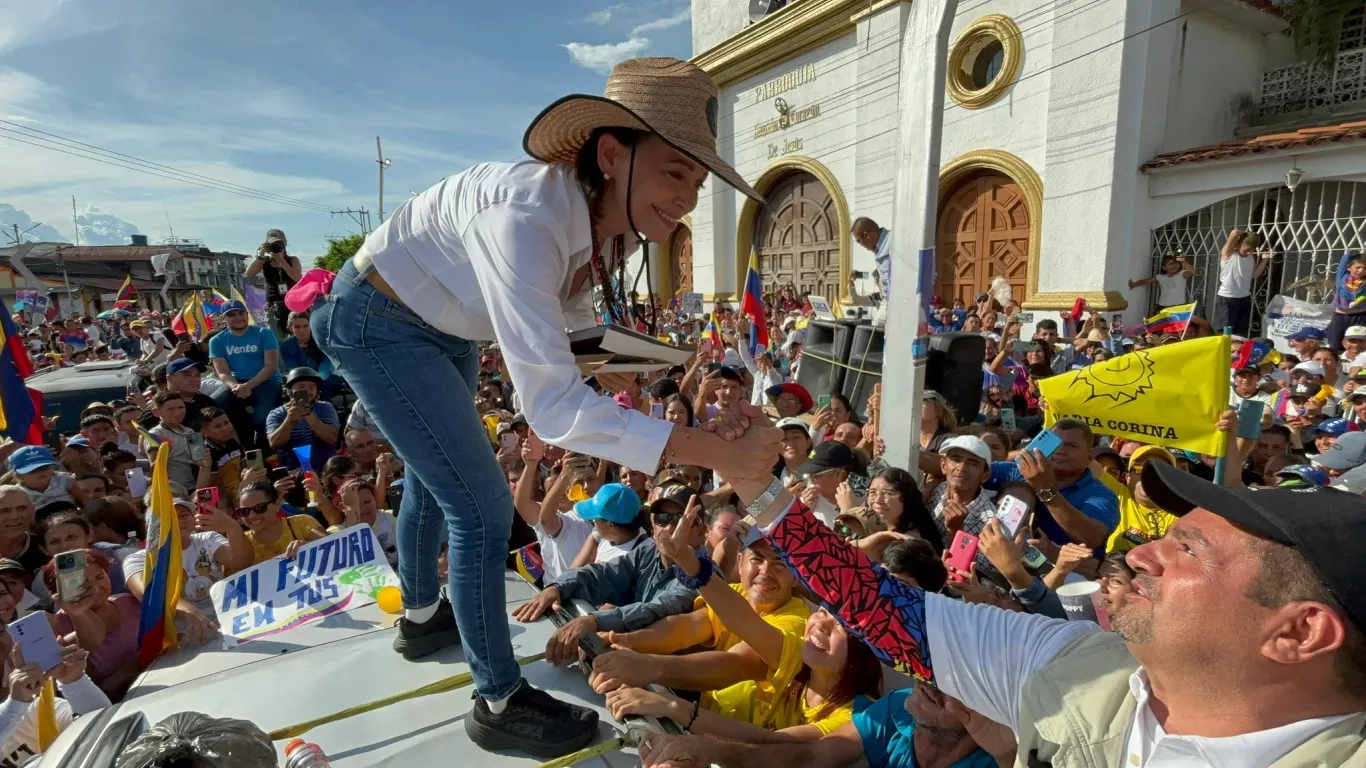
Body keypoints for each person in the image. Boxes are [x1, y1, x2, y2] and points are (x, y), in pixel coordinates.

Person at [308, 56, 778, 757]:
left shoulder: (600, 219)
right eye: (676, 173)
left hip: (442, 323)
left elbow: (575, 332)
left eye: (697, 182)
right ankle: (498, 700)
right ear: (613, 155)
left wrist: (658, 374)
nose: (686, 199)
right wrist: (720, 451)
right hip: (380, 320)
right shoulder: (525, 220)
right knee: (480, 507)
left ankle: (421, 614)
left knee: (438, 483)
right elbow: (555, 407)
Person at [635, 686, 1008, 768]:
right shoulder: (899, 706)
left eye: (962, 683)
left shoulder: (1003, 761)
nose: (934, 681)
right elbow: (809, 754)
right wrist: (707, 749)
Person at [123, 496, 252, 643]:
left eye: (184, 515)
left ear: (193, 519)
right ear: (150, 527)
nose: (178, 521)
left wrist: (232, 527)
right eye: (169, 517)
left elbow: (240, 561)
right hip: (184, 638)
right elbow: (147, 593)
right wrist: (187, 610)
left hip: (232, 623)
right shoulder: (138, 560)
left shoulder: (207, 539)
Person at [41, 547, 141, 699]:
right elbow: (88, 692)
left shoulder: (130, 602)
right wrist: (134, 668)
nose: (95, 587)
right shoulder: (57, 630)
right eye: (81, 583)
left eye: (100, 576)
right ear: (57, 590)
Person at [208, 299, 282, 451]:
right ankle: (235, 449)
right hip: (237, 383)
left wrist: (248, 386)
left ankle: (267, 451)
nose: (238, 318)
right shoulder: (216, 341)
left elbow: (271, 367)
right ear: (224, 318)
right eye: (231, 315)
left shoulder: (265, 333)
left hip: (266, 380)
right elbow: (222, 372)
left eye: (241, 313)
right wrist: (235, 386)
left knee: (262, 416)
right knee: (215, 405)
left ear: (247, 314)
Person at [266, 367, 340, 471]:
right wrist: (289, 420)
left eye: (311, 387)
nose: (307, 391)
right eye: (301, 387)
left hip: (325, 466)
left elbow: (332, 438)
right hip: (292, 468)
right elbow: (275, 443)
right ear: (290, 390)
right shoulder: (277, 413)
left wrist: (308, 415)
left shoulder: (325, 407)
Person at [236, 482, 325, 565]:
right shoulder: (240, 543)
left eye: (259, 508)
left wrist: (309, 546)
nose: (252, 516)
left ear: (277, 504)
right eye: (244, 511)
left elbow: (330, 544)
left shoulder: (301, 522)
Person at [144, 392, 212, 491]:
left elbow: (200, 462)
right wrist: (163, 454)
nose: (177, 412)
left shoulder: (189, 431)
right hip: (171, 490)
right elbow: (154, 469)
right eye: (170, 409)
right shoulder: (156, 434)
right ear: (156, 412)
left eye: (180, 407)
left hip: (193, 486)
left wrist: (203, 458)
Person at [244, 228, 302, 337]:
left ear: (285, 244)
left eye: (279, 244)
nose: (277, 248)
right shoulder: (265, 261)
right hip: (273, 305)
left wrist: (282, 262)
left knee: (297, 337)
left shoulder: (292, 260)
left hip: (293, 304)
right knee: (276, 339)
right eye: (273, 244)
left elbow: (297, 278)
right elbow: (249, 273)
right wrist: (260, 255)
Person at [1217, 228, 1272, 337]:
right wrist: (1248, 235)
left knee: (1241, 333)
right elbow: (1234, 232)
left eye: (1252, 250)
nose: (1249, 252)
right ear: (1237, 245)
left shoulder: (1250, 258)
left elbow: (1254, 275)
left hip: (1244, 298)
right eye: (1246, 250)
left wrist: (1264, 260)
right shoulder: (1228, 254)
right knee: (1227, 332)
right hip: (1228, 298)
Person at [279, 311, 342, 400]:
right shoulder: (286, 346)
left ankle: (324, 412)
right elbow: (293, 369)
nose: (302, 330)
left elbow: (325, 368)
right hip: (301, 378)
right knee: (299, 390)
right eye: (297, 327)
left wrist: (311, 383)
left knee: (317, 389)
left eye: (305, 326)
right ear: (290, 328)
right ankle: (304, 412)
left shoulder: (321, 340)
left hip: (328, 377)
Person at [8, 446, 75, 510]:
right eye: (33, 471)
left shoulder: (64, 479)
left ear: (52, 468)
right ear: (19, 476)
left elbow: (84, 500)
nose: (41, 472)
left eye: (44, 467)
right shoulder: (19, 493)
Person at [1129, 252, 1197, 309]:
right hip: (1163, 307)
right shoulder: (1160, 277)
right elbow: (1146, 281)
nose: (1174, 266)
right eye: (1171, 264)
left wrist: (1183, 261)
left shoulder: (1181, 274)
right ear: (1164, 267)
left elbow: (1193, 272)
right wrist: (1134, 284)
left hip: (1179, 307)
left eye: (1176, 263)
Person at [850, 217, 892, 305]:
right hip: (889, 304)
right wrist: (851, 283)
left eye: (859, 241)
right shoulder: (876, 249)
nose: (861, 245)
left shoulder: (894, 241)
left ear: (866, 235)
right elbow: (857, 300)